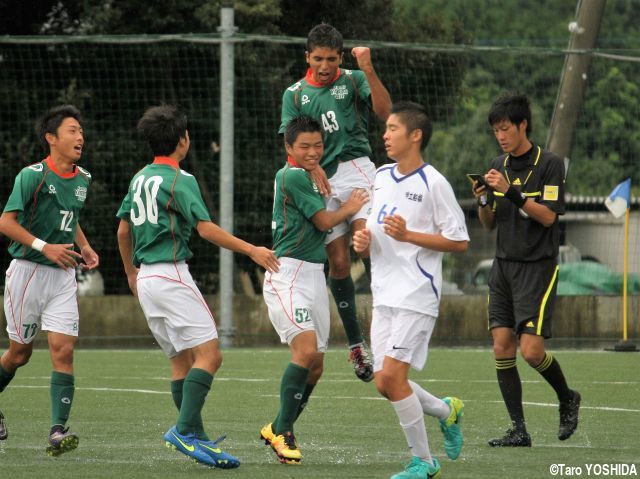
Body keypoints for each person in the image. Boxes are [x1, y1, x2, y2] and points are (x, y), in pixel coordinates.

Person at [116, 105, 279, 468]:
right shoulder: (180, 179)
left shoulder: (139, 177)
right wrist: (252, 249)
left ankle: (198, 438)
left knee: (181, 361)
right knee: (211, 355)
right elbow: (205, 229)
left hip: (146, 279)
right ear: (183, 140)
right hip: (171, 274)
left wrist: (130, 273)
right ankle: (183, 430)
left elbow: (123, 230)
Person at [353, 101, 469, 479]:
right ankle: (445, 410)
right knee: (384, 384)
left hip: (416, 294)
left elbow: (459, 241)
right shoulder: (382, 176)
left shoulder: (434, 183)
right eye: (385, 129)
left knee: (393, 380)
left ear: (415, 135)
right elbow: (374, 229)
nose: (385, 135)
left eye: (392, 129)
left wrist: (410, 235)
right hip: (383, 292)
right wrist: (363, 242)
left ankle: (425, 461)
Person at [280, 23, 392, 382]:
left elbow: (385, 113)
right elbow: (291, 143)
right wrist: (309, 169)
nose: (325, 66)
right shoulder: (295, 94)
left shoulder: (354, 79)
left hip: (357, 169)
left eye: (331, 59)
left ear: (340, 57)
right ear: (307, 57)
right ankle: (357, 345)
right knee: (340, 265)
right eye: (318, 59)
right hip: (321, 178)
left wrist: (369, 69)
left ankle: (391, 327)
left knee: (367, 244)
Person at [473, 92, 581, 447]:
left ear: (523, 125)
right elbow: (488, 224)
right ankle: (518, 429)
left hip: (538, 267)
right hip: (503, 267)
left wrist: (513, 193)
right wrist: (485, 199)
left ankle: (567, 397)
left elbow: (549, 217)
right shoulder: (496, 165)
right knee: (502, 346)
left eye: (505, 129)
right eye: (495, 131)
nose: (501, 137)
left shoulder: (549, 164)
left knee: (531, 351)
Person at [260, 116, 368, 465]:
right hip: (287, 274)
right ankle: (285, 433)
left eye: (317, 145)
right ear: (288, 147)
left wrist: (317, 166)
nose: (312, 151)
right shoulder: (290, 175)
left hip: (312, 277)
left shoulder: (307, 173)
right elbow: (323, 222)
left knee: (316, 366)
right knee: (305, 352)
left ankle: (276, 425)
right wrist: (352, 207)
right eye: (304, 146)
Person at [0, 105, 99, 456]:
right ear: (51, 138)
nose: (80, 137)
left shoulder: (83, 178)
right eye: (72, 130)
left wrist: (84, 247)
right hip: (27, 272)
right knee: (19, 353)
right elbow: (6, 223)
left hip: (63, 277)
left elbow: (69, 218)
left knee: (64, 349)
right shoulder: (32, 176)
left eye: (81, 131)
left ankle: (57, 430)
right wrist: (46, 247)